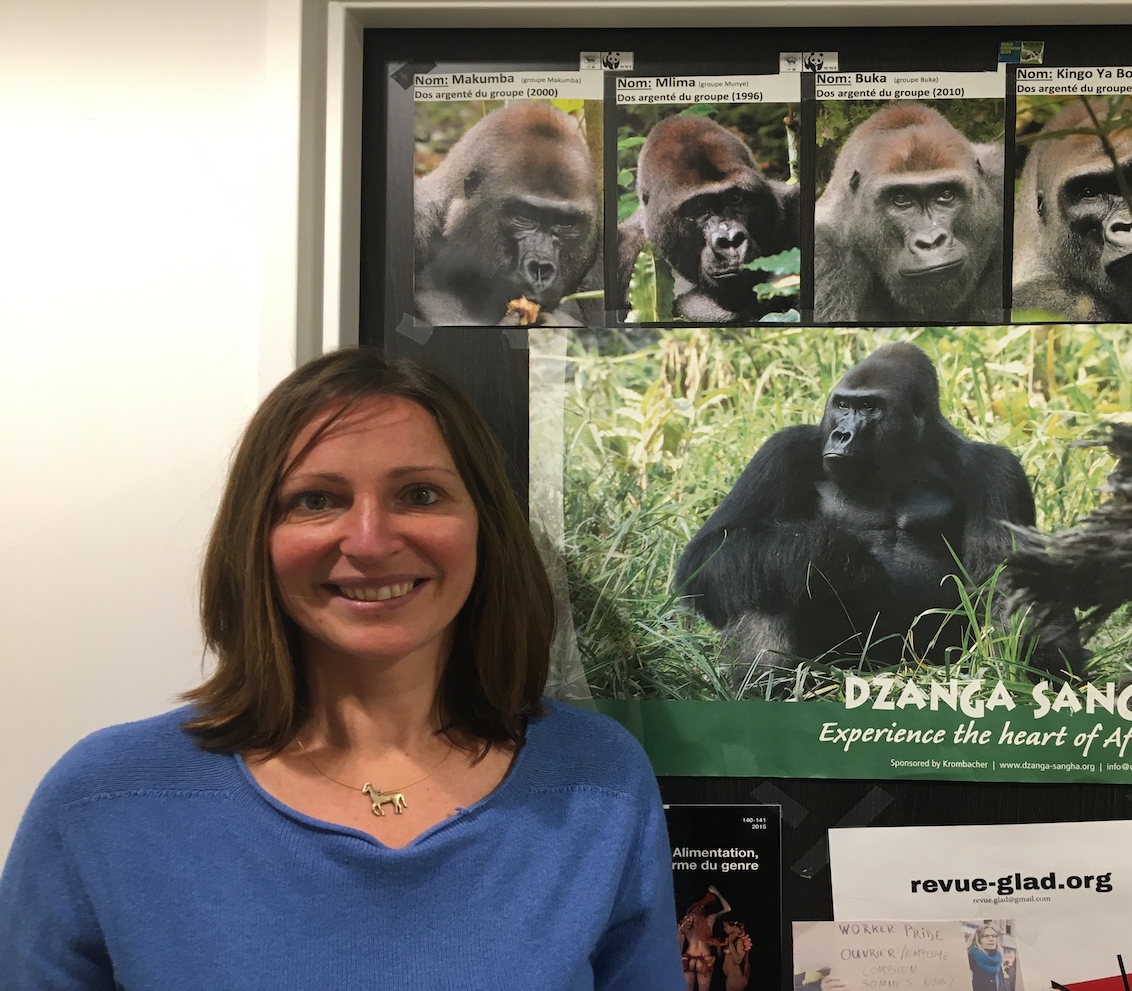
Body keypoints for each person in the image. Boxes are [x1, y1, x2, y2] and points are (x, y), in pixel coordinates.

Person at [0, 348, 682, 989]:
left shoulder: (596, 784)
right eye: (316, 500)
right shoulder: (106, 802)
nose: (370, 541)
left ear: (485, 525)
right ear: (255, 538)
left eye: (419, 494)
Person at [679, 885, 730, 991]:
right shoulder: (710, 919)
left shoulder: (686, 924)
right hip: (704, 958)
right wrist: (717, 893)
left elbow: (679, 938)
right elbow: (727, 908)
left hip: (689, 957)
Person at [967, 923, 1015, 991]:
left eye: (994, 936)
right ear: (978, 940)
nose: (991, 939)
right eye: (986, 936)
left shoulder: (997, 963)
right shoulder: (969, 961)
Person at [715, 916, 753, 991]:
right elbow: (722, 957)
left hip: (736, 978)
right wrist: (718, 946)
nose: (724, 929)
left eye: (726, 926)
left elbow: (738, 959)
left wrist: (731, 944)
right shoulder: (730, 938)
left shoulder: (739, 941)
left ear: (734, 925)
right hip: (729, 976)